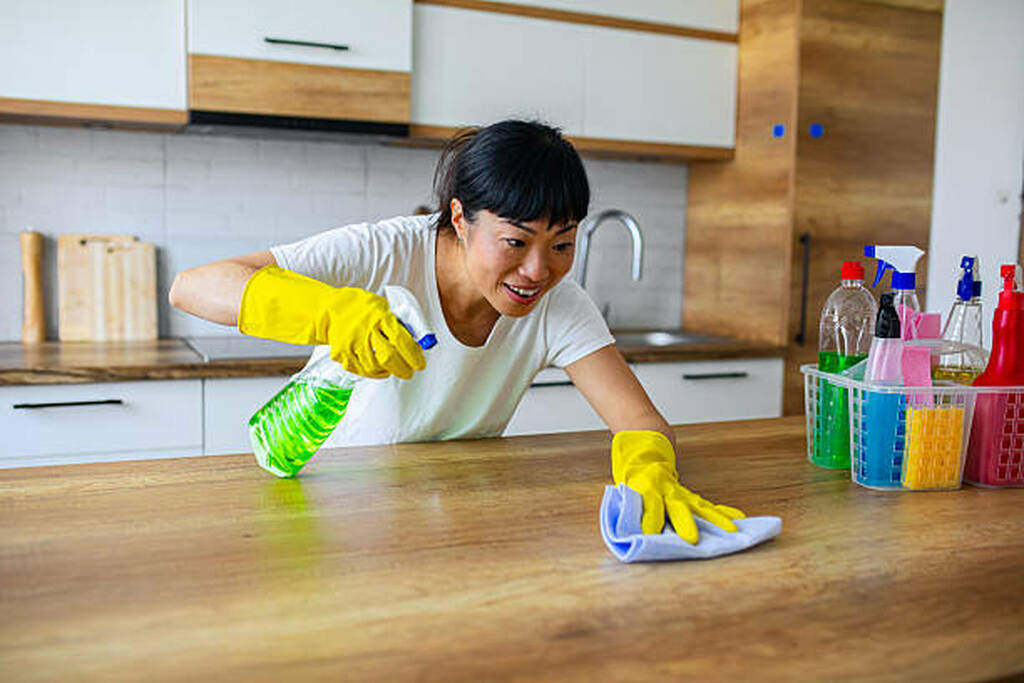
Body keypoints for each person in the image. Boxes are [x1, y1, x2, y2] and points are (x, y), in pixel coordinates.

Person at [169, 119, 744, 544]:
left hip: (457, 514)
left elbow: (639, 420)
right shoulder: (384, 250)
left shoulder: (557, 302)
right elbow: (195, 286)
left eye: (562, 244)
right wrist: (329, 312)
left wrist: (647, 466)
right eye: (516, 242)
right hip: (327, 505)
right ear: (461, 218)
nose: (538, 271)